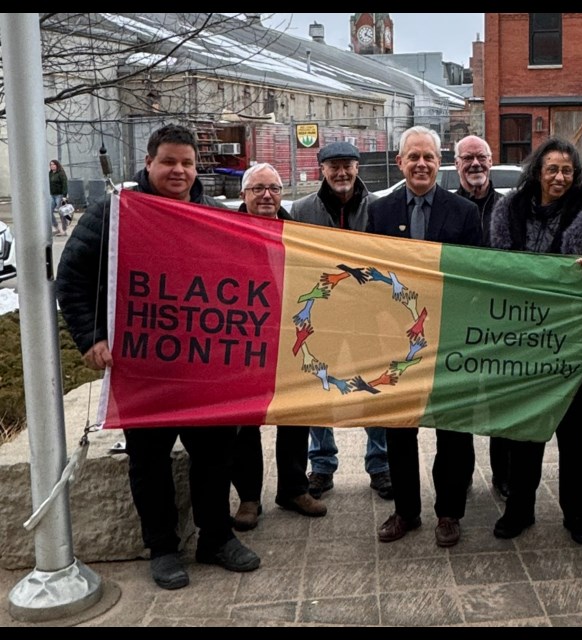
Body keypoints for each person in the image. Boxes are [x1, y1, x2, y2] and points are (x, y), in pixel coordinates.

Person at [56, 124, 260, 590]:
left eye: (187, 162)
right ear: (148, 163)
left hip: (202, 367)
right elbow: (72, 278)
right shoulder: (115, 213)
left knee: (214, 456)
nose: (179, 170)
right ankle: (163, 548)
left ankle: (216, 537)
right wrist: (91, 338)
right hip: (141, 367)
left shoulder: (212, 215)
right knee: (149, 461)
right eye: (169, 161)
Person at [488, 136, 582, 545]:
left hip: (571, 341)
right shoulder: (511, 211)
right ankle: (519, 509)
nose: (559, 177)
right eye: (552, 169)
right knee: (525, 432)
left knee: (574, 437)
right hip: (523, 340)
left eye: (567, 170)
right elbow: (499, 268)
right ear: (537, 171)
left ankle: (578, 514)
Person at [367, 126, 483, 548]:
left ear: (441, 162)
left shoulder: (465, 213)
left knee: (452, 430)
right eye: (413, 157)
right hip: (396, 342)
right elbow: (370, 277)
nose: (421, 164)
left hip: (449, 339)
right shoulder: (379, 212)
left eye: (429, 157)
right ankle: (406, 511)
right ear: (399, 162)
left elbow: (475, 277)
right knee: (399, 431)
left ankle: (449, 513)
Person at [290, 141, 393, 502]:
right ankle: (321, 464)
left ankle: (380, 464)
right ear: (321, 169)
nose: (341, 173)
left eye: (347, 165)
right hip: (322, 318)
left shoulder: (379, 209)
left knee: (373, 387)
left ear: (358, 168)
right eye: (333, 166)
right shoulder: (301, 210)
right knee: (320, 389)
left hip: (366, 317)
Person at [229, 163, 329, 531]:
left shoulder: (298, 232)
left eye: (273, 188)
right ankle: (249, 498)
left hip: (288, 336)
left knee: (294, 415)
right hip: (243, 339)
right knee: (245, 420)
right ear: (244, 194)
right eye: (258, 189)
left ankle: (293, 488)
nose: (267, 195)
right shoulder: (223, 231)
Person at [452, 135, 510, 501]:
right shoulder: (447, 208)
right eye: (467, 158)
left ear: (491, 161)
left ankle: (503, 476)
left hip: (501, 322)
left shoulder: (511, 208)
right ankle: (459, 477)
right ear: (456, 163)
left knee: (500, 403)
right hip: (458, 322)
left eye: (482, 158)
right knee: (459, 406)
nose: (475, 164)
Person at [49, 159, 69, 236]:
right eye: (51, 165)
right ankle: (57, 228)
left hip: (59, 195)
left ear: (57, 165)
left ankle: (64, 229)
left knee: (61, 212)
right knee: (49, 212)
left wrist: (64, 195)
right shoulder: (50, 174)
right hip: (52, 195)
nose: (52, 166)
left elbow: (64, 184)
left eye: (53, 164)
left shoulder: (61, 173)